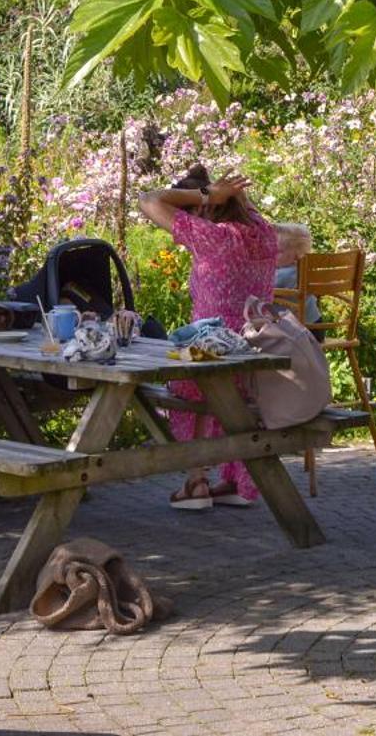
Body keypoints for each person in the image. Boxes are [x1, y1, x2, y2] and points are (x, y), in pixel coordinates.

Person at [138, 165, 279, 511]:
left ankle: (196, 482)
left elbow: (148, 200)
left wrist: (205, 194)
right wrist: (231, 195)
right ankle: (234, 482)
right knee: (233, 400)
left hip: (212, 352)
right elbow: (244, 208)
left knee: (183, 386)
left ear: (204, 210)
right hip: (255, 350)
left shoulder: (212, 237)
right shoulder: (264, 232)